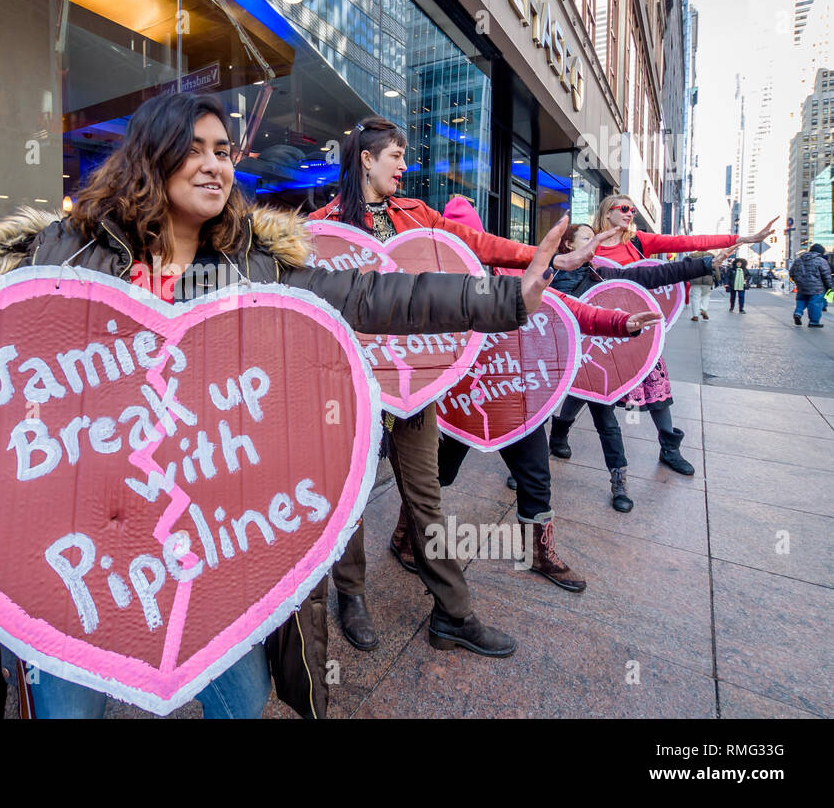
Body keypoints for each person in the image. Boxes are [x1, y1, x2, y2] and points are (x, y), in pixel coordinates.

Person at [0, 93, 562, 719]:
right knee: (70, 710)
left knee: (245, 697)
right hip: (78, 557)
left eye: (223, 151)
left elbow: (380, 297)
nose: (213, 164)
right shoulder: (68, 258)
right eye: (192, 149)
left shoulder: (250, 263)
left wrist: (505, 300)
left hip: (203, 542)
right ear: (150, 158)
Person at [308, 119, 640, 646]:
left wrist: (546, 258)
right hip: (350, 387)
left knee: (426, 500)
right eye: (395, 155)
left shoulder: (417, 215)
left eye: (405, 156)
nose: (403, 165)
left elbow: (478, 246)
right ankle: (352, 597)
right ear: (366, 160)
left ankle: (453, 616)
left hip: (415, 384)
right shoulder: (320, 228)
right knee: (348, 499)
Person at [433, 201, 660, 590]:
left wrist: (620, 322)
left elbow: (564, 307)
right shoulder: (433, 285)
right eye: (456, 244)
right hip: (460, 400)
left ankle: (538, 553)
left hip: (513, 393)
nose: (465, 250)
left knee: (536, 475)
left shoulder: (507, 274)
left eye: (470, 241)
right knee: (438, 473)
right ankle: (406, 535)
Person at [547, 226, 737, 511]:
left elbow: (652, 275)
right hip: (551, 359)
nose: (593, 243)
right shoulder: (547, 275)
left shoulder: (603, 275)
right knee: (534, 414)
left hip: (590, 361)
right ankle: (529, 464)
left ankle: (619, 481)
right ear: (567, 244)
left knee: (605, 419)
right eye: (587, 238)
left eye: (594, 238)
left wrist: (705, 263)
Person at [585, 196, 776, 475]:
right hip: (598, 328)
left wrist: (742, 238)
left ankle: (670, 449)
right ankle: (559, 434)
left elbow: (688, 243)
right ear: (607, 211)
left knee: (655, 386)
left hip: (638, 327)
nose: (630, 214)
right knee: (584, 388)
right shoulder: (590, 243)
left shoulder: (638, 241)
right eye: (624, 209)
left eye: (633, 210)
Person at [790, 243, 833, 327]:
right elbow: (826, 275)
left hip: (801, 287)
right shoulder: (821, 261)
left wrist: (798, 281)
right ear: (820, 252)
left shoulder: (799, 260)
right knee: (815, 304)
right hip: (816, 288)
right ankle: (814, 322)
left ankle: (798, 313)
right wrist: (830, 287)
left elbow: (792, 273)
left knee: (801, 300)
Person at [686, 250, 714, 321]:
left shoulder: (692, 256)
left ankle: (695, 316)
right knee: (706, 295)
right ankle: (704, 309)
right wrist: (718, 279)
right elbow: (715, 268)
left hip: (696, 279)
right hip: (708, 279)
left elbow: (688, 268)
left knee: (695, 297)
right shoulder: (711, 256)